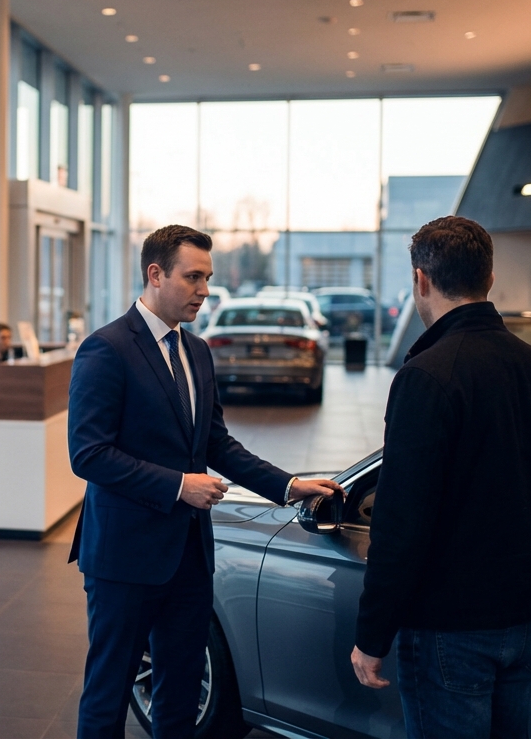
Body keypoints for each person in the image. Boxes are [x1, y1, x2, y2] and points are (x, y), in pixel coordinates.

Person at [68, 224, 342, 738]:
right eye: (193, 277)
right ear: (155, 274)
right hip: (123, 558)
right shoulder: (106, 349)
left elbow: (216, 445)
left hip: (189, 554)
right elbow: (88, 454)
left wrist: (289, 486)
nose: (205, 289)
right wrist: (179, 485)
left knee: (181, 690)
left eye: (207, 277)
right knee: (108, 693)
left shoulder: (196, 352)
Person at [350, 216, 531, 738]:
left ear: (421, 280)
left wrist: (372, 635)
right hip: (529, 618)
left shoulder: (427, 375)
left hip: (453, 628)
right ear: (489, 279)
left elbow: (402, 521)